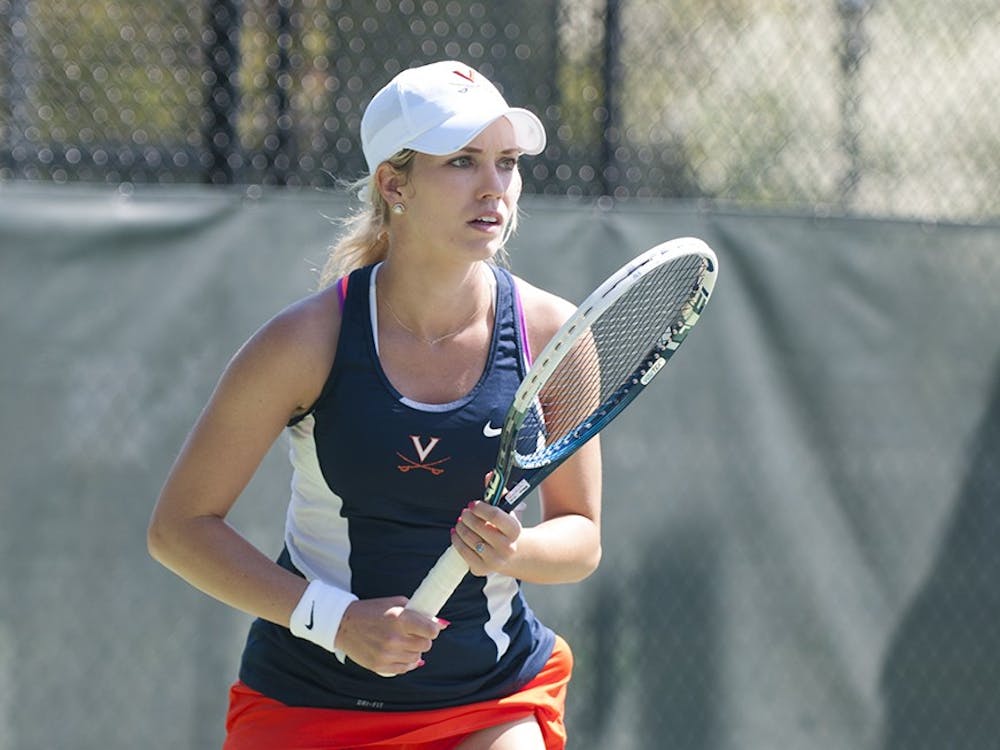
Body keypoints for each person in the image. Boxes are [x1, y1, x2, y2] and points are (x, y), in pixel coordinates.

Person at [147, 60, 602, 750]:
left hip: (491, 698)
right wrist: (336, 620)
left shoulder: (554, 333)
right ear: (395, 183)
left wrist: (516, 549)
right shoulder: (303, 342)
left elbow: (581, 538)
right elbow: (179, 529)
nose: (494, 188)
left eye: (507, 162)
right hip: (308, 701)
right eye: (460, 161)